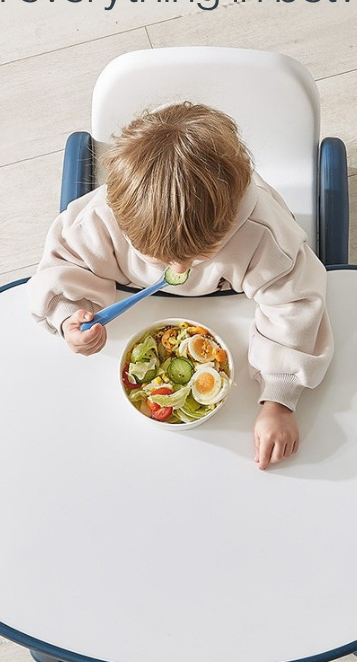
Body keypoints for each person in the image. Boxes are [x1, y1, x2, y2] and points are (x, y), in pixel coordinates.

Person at [27, 102, 333, 470]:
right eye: (160, 259)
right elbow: (61, 265)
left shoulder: (263, 236)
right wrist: (67, 316)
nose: (178, 270)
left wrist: (279, 400)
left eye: (197, 258)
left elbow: (295, 305)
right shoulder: (101, 219)